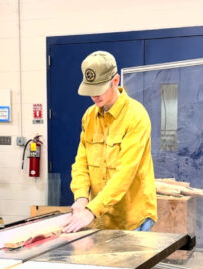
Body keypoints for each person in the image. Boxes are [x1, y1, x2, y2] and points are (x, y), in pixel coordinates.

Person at [62, 50, 157, 235]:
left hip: (132, 217)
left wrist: (91, 210)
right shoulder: (89, 116)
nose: (94, 97)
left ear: (115, 81)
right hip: (101, 216)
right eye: (91, 91)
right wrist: (81, 197)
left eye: (99, 90)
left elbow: (125, 173)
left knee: (130, 263)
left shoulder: (136, 116)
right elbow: (81, 163)